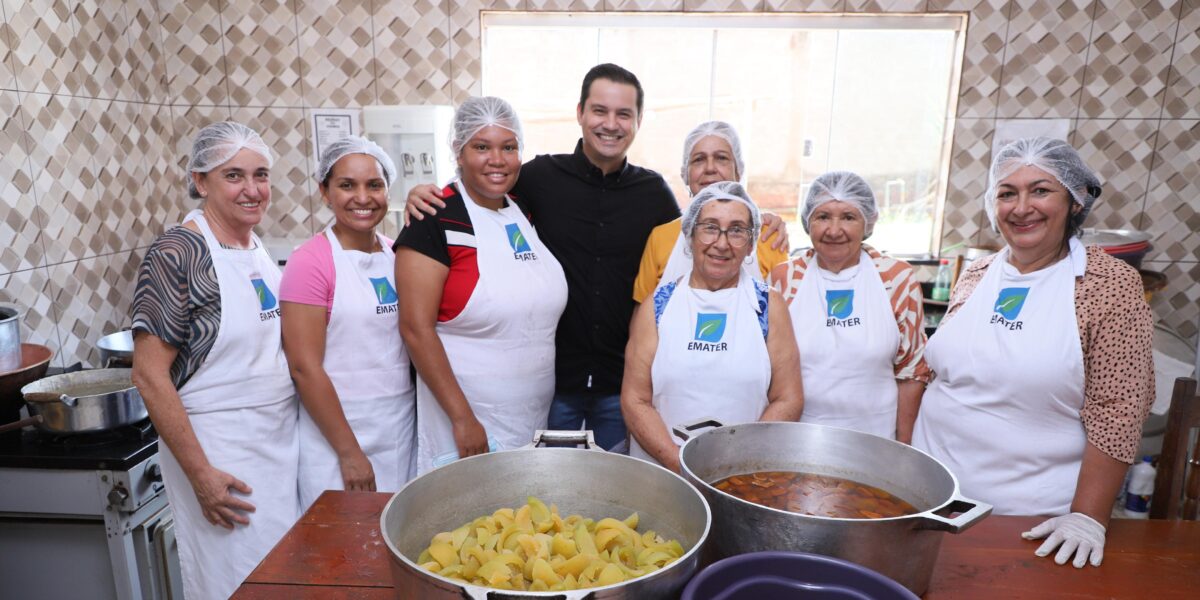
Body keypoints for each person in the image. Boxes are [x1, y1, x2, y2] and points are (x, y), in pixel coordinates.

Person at [405, 65, 787, 450]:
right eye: (599, 110)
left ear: (638, 122)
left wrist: (762, 218)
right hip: (553, 384)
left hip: (619, 387)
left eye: (624, 114)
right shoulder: (537, 178)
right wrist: (427, 193)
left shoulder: (653, 193)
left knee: (610, 498)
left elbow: (703, 226)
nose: (611, 124)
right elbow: (484, 187)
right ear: (580, 113)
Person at [912, 137, 1154, 569]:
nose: (1021, 207)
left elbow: (1120, 411)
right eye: (1007, 193)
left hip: (1026, 521)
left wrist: (1086, 517)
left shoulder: (1109, 286)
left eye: (1040, 190)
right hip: (932, 501)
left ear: (1076, 201)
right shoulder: (978, 273)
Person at [130, 122, 299, 600]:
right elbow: (148, 375)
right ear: (201, 181)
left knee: (281, 578)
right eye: (234, 176)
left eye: (261, 174)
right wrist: (201, 476)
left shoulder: (254, 246)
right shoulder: (178, 252)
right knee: (239, 585)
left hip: (277, 445)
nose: (253, 190)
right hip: (221, 453)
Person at [394, 97, 568, 474]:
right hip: (466, 426)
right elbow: (414, 328)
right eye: (481, 147)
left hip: (532, 416)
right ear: (458, 150)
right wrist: (462, 419)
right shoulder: (434, 217)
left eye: (508, 147)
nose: (497, 159)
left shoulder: (523, 209)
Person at [622, 181, 804, 472]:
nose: (722, 243)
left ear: (750, 244)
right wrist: (678, 462)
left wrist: (736, 464)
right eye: (710, 227)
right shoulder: (657, 306)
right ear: (690, 235)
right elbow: (635, 399)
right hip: (663, 474)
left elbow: (788, 398)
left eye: (736, 230)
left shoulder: (770, 307)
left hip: (743, 475)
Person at [279, 136, 415, 510]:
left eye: (374, 185)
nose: (363, 197)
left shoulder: (397, 254)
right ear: (325, 192)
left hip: (398, 428)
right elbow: (304, 367)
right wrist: (349, 452)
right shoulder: (310, 262)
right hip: (337, 437)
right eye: (346, 185)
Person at [769, 171, 930, 442]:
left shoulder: (896, 277)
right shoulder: (785, 277)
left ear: (867, 222)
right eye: (823, 217)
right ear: (808, 222)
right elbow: (769, 370)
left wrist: (904, 452)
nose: (834, 230)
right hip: (796, 438)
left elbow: (912, 374)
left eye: (848, 217)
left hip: (876, 439)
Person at [632, 120, 789, 303]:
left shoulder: (769, 237)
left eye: (721, 158)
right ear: (686, 174)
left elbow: (785, 316)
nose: (709, 168)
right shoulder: (660, 238)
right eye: (699, 160)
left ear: (738, 171)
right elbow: (643, 316)